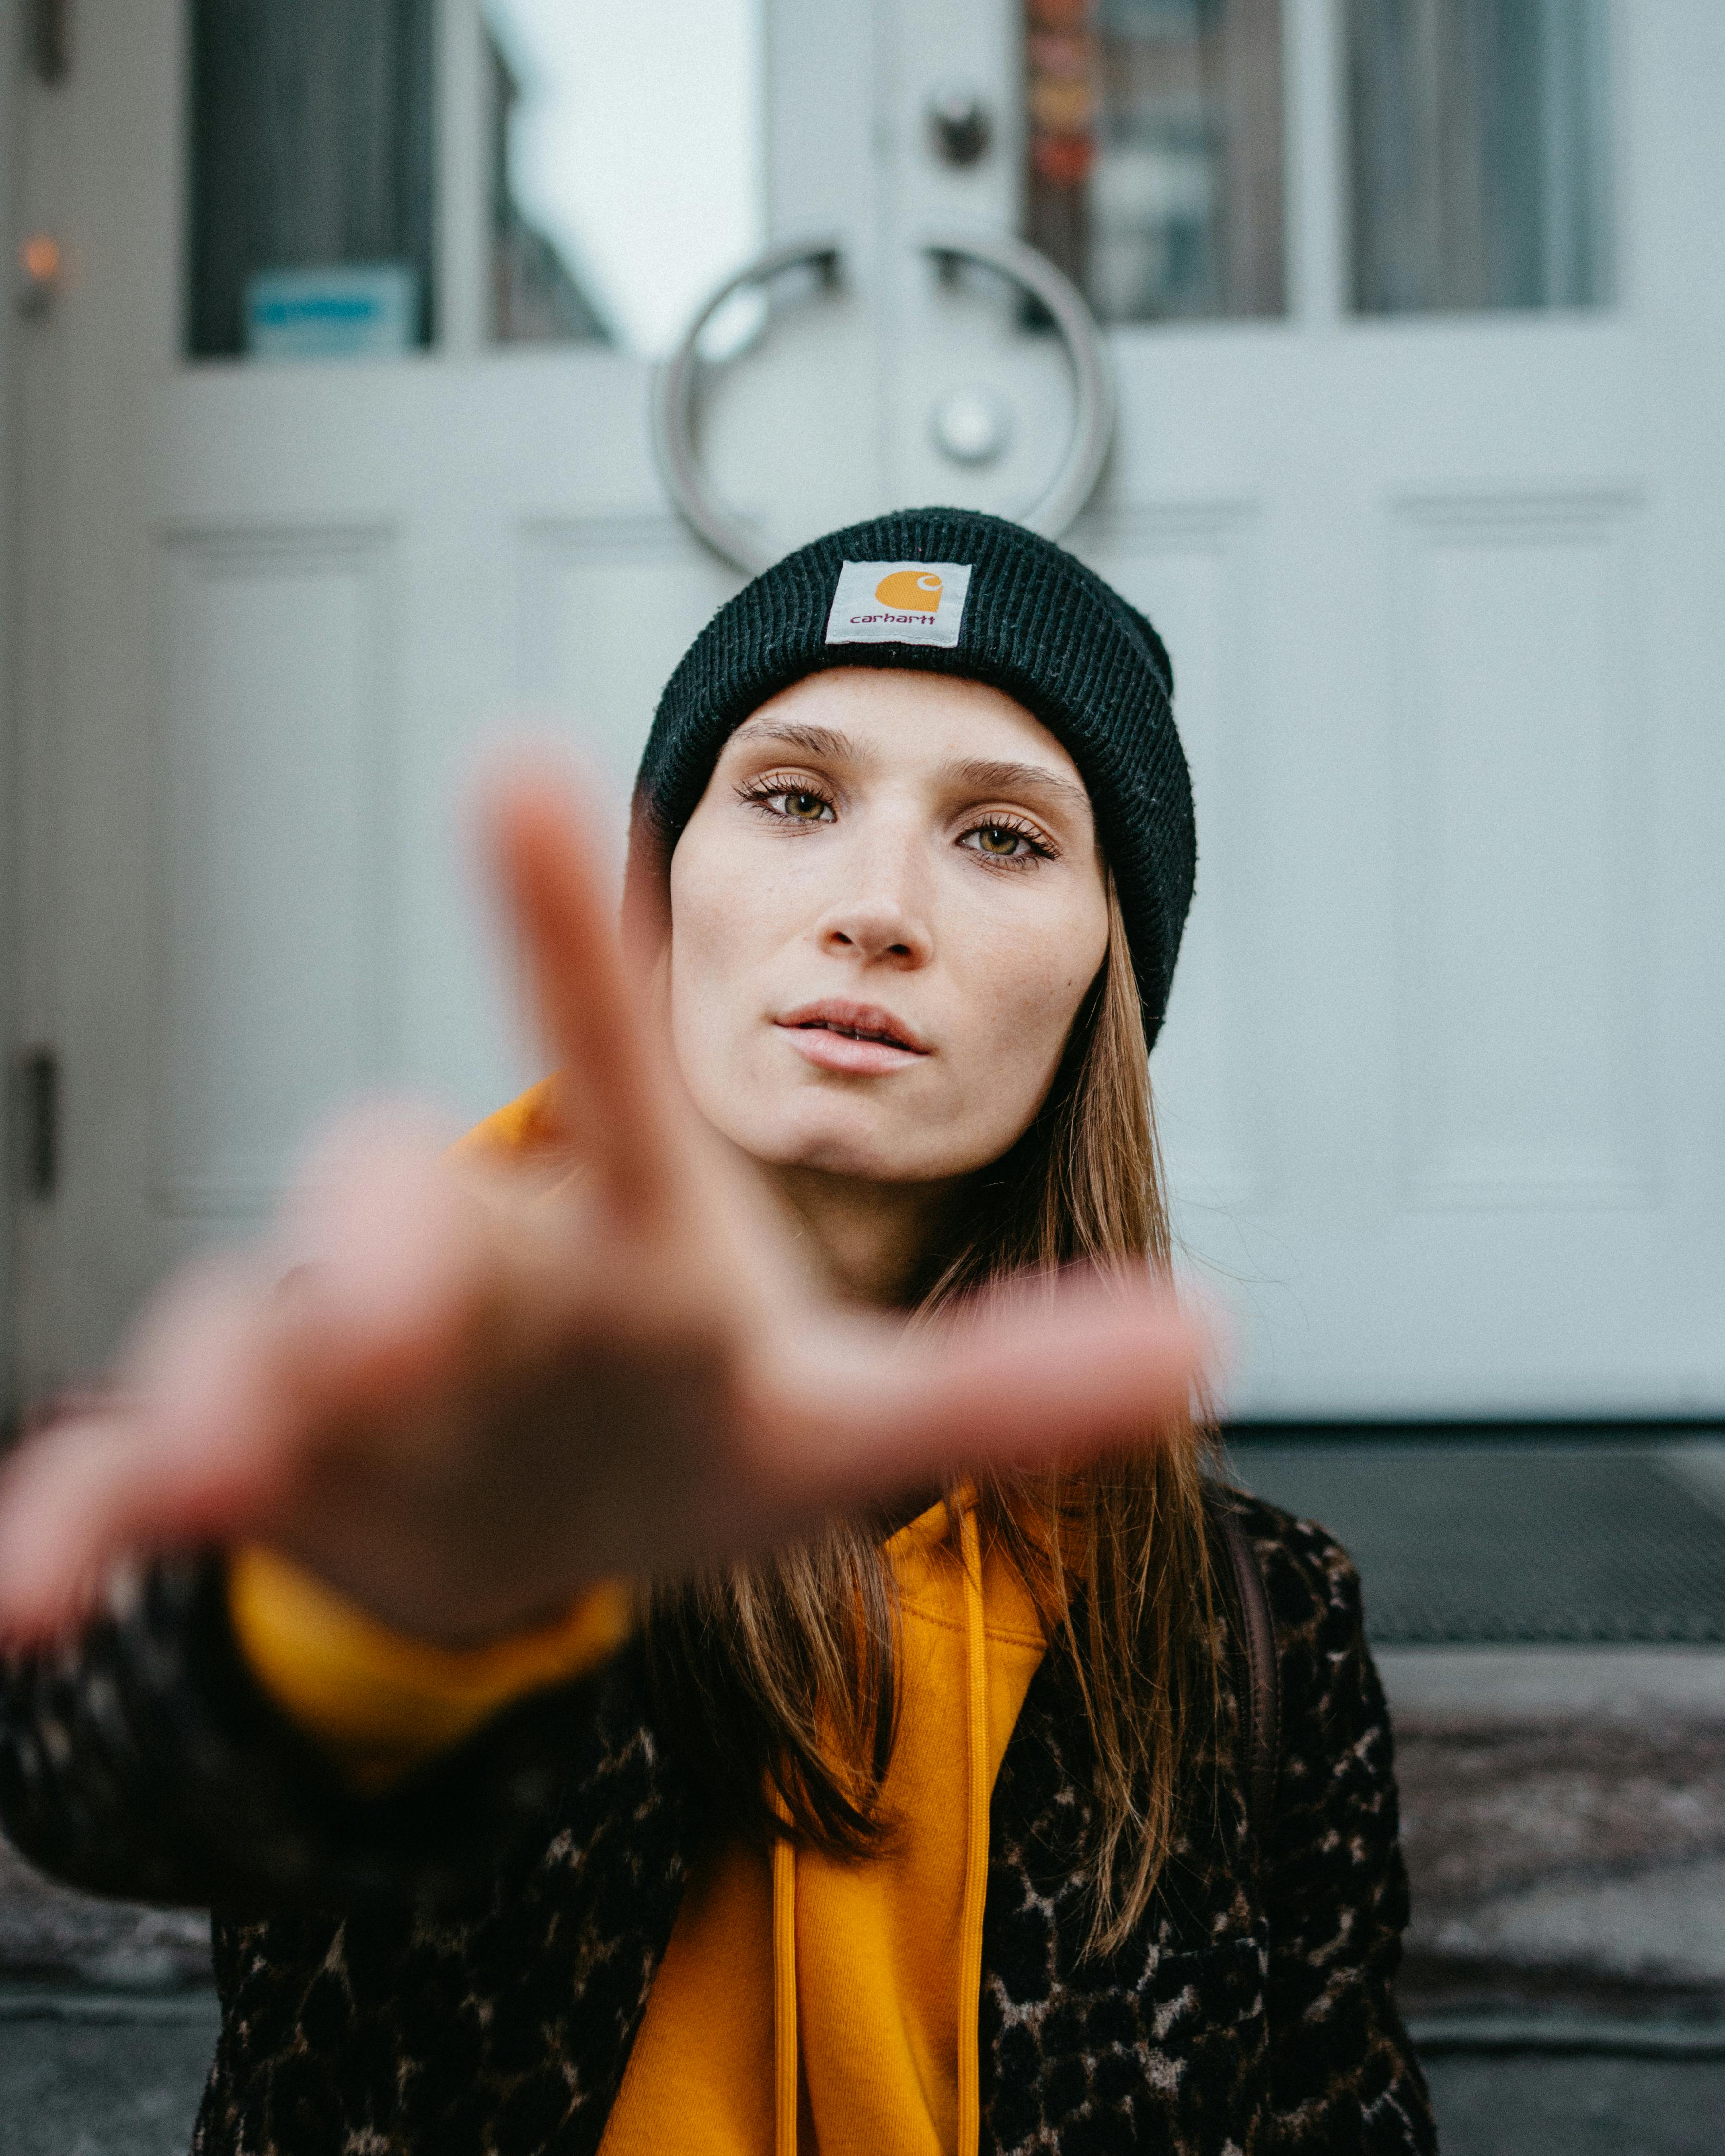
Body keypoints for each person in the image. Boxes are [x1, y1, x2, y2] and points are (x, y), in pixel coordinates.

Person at [0, 509, 1435, 2155]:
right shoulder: (438, 1416)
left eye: (1005, 837)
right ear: (662, 890)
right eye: (793, 798)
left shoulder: (1261, 1623)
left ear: (1111, 968)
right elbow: (106, 1767)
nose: (876, 905)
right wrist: (381, 1606)